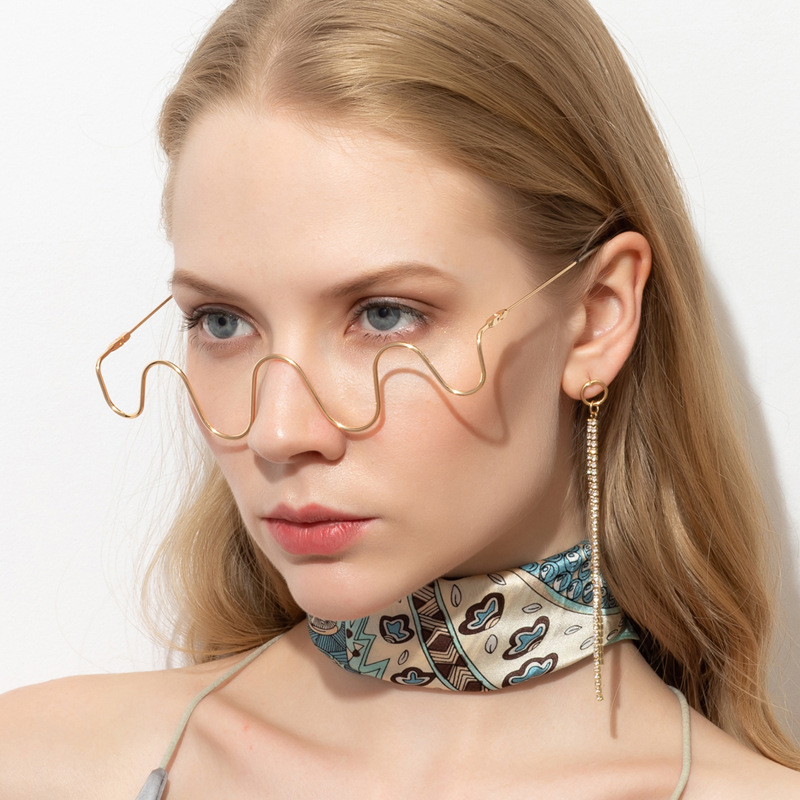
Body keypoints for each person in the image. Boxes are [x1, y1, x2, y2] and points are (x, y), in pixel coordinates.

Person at [2, 0, 799, 797]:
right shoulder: (39, 765)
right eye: (222, 321)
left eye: (385, 315)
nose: (277, 431)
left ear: (596, 318)